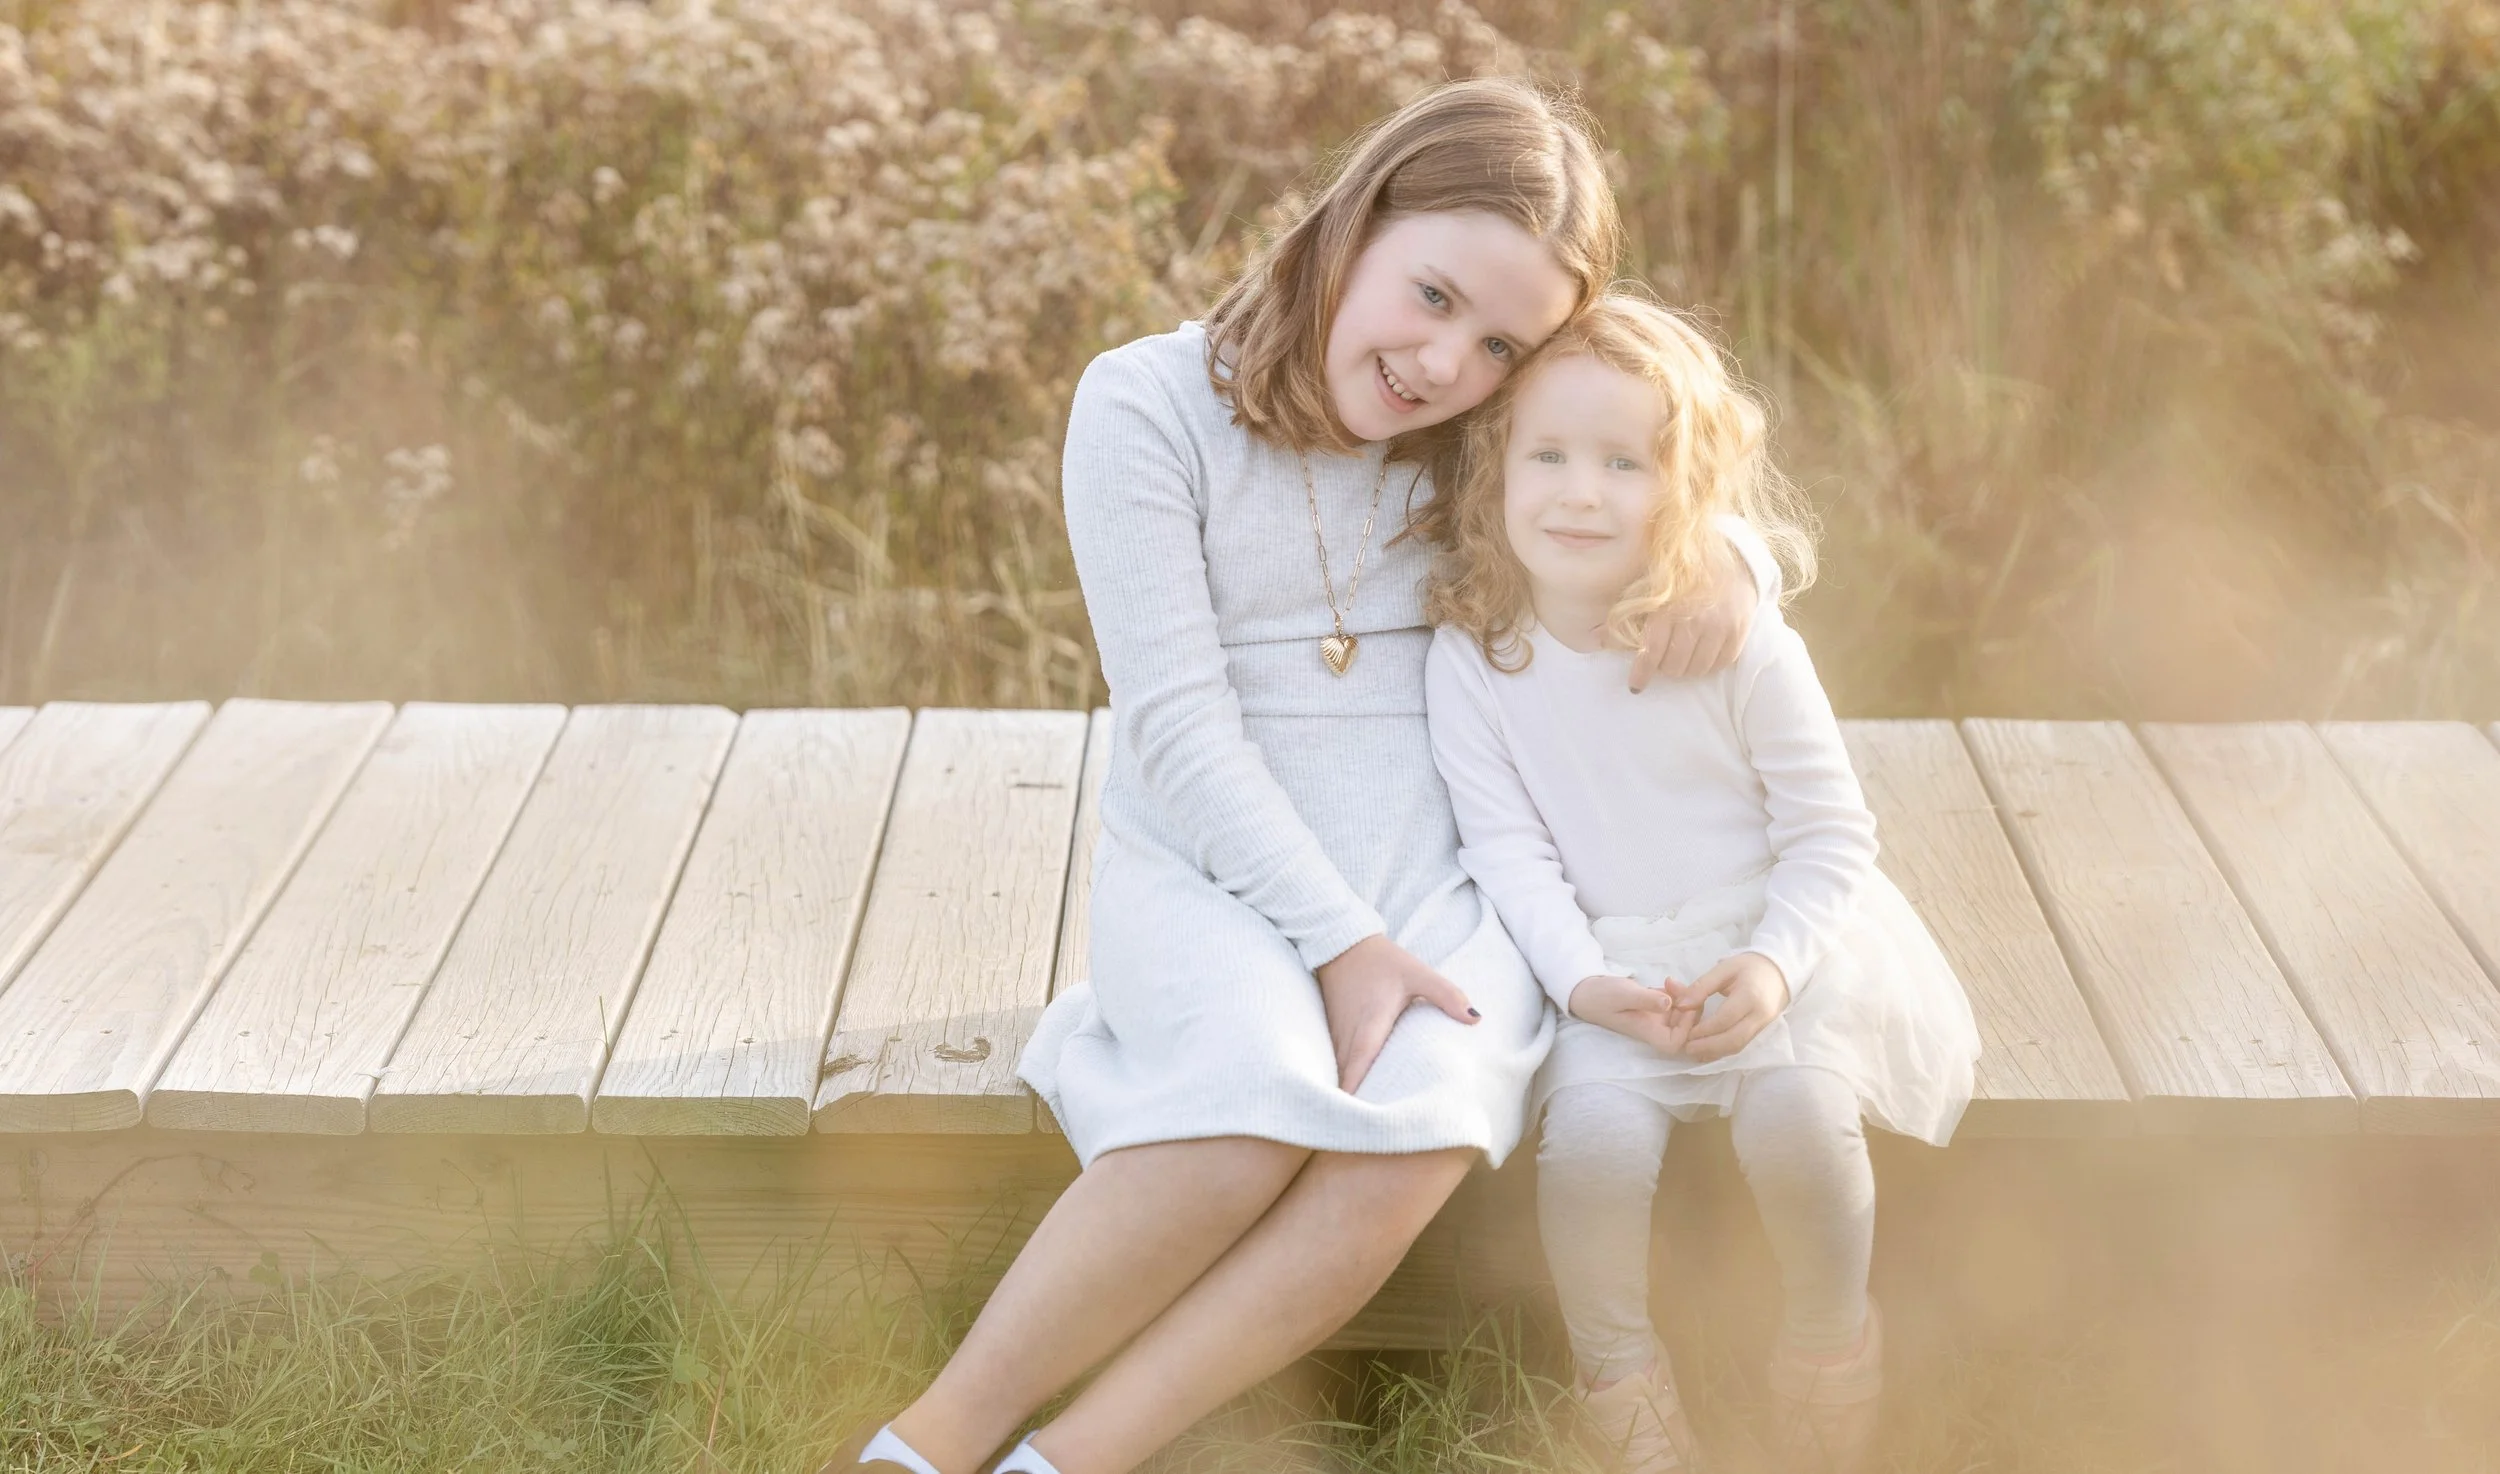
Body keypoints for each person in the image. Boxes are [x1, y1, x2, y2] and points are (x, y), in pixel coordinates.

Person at [828, 80, 1777, 1474]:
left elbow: (1665, 465)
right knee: (1237, 1116)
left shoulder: (1478, 430)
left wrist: (1730, 567)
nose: (1444, 361)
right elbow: (1180, 723)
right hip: (1217, 860)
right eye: (1432, 294)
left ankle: (1069, 1460)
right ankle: (929, 1440)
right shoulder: (1146, 402)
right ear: (1358, 219)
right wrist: (1339, 941)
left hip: (1450, 865)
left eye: (1500, 342)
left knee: (1409, 1135)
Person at [1422, 291, 1982, 1474]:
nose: (1579, 491)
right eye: (1550, 456)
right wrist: (1582, 981)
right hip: (1609, 959)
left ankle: (1830, 1339)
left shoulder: (1737, 642)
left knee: (1794, 1115)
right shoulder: (1478, 655)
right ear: (1498, 466)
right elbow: (1504, 848)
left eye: (1623, 463)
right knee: (1594, 1148)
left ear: (1682, 488)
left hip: (1772, 939)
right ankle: (1616, 1372)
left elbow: (1830, 832)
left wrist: (1775, 967)